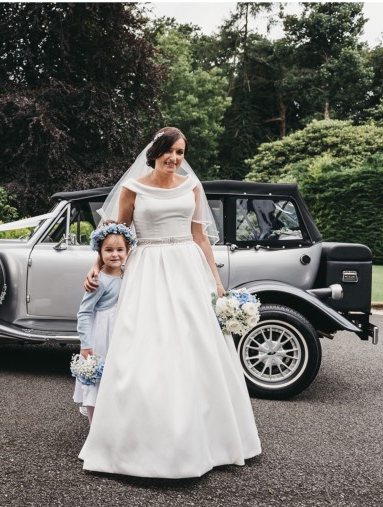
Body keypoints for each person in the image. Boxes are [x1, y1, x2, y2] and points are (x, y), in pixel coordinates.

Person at [78, 127, 261, 479]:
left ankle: (212, 439)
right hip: (146, 268)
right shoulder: (133, 188)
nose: (176, 159)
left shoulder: (191, 185)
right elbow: (113, 234)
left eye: (181, 152)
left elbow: (200, 237)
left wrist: (217, 282)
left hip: (188, 270)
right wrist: (96, 265)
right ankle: (137, 440)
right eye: (170, 152)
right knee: (145, 347)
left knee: (196, 347)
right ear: (155, 152)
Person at [73, 221, 134, 426]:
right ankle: (95, 427)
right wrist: (86, 344)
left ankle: (115, 423)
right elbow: (84, 312)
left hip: (121, 332)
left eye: (120, 249)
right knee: (97, 380)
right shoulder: (98, 280)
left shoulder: (129, 275)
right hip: (102, 335)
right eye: (108, 250)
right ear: (99, 252)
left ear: (128, 251)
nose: (114, 254)